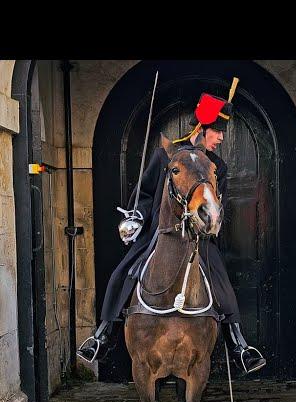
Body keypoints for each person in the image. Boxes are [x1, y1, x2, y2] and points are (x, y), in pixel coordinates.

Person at [77, 79, 266, 376]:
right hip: (160, 232)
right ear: (201, 130)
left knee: (222, 283)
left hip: (198, 240)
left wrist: (209, 221)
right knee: (122, 273)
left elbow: (217, 202)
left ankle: (238, 344)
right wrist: (138, 217)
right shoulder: (166, 155)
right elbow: (146, 193)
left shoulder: (217, 165)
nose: (220, 138)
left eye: (222, 132)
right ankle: (102, 335)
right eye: (217, 131)